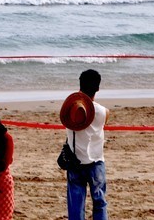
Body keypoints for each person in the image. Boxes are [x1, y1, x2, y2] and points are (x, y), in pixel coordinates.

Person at [62, 69, 108, 220]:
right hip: (96, 161)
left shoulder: (70, 109)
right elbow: (105, 116)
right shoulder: (102, 112)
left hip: (75, 162)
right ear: (98, 88)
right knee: (99, 202)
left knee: (76, 205)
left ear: (80, 86)